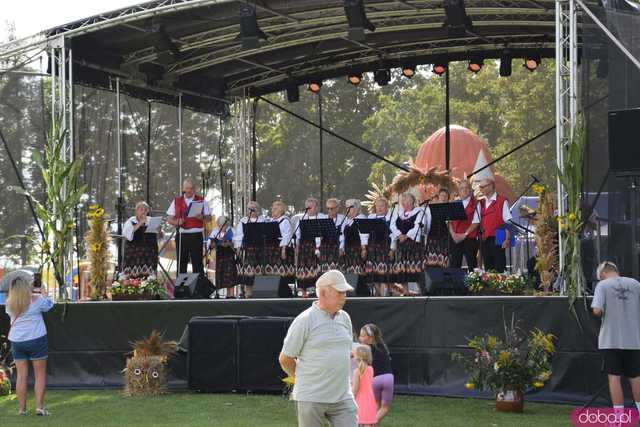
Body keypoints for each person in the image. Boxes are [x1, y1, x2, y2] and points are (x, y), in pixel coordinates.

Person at [279, 270, 357, 427]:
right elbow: (285, 358)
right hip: (312, 397)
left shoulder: (345, 318)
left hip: (342, 397)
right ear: (322, 293)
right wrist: (303, 378)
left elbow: (346, 353)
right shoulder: (304, 320)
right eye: (339, 292)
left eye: (345, 292)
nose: (344, 297)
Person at [591, 261, 640, 416]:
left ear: (602, 274)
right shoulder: (635, 284)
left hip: (610, 340)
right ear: (615, 270)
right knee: (636, 377)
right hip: (634, 339)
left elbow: (597, 310)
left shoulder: (602, 286)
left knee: (614, 378)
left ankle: (619, 417)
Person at [5, 276, 54, 416]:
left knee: (21, 376)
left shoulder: (9, 304)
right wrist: (43, 292)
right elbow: (49, 305)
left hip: (17, 341)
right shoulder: (37, 300)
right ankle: (39, 408)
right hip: (36, 339)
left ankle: (22, 409)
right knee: (39, 375)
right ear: (27, 287)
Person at [166, 178, 212, 275]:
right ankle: (181, 288)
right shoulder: (177, 201)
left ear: (194, 189)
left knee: (197, 263)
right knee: (181, 264)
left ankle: (198, 289)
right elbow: (169, 219)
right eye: (187, 188)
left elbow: (209, 218)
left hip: (196, 235)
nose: (189, 191)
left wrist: (202, 217)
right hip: (182, 235)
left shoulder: (201, 200)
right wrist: (177, 222)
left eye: (191, 188)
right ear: (183, 189)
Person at [390, 192, 430, 295]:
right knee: (402, 269)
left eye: (407, 201)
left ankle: (422, 292)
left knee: (416, 269)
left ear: (412, 201)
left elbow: (418, 226)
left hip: (414, 246)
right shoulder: (398, 213)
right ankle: (406, 292)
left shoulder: (419, 212)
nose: (405, 203)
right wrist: (399, 235)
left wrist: (406, 235)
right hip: (401, 245)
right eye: (403, 201)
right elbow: (392, 225)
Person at [359, 324, 394, 424]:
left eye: (362, 336)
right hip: (389, 378)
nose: (360, 338)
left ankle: (369, 423)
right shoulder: (383, 347)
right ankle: (372, 423)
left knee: (375, 405)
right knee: (385, 408)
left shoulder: (365, 349)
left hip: (375, 380)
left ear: (370, 338)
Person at [233, 201, 266, 298]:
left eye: (253, 208)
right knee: (248, 273)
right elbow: (239, 236)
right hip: (248, 250)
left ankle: (260, 294)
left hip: (260, 250)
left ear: (257, 210)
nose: (251, 211)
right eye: (249, 209)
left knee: (260, 272)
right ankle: (248, 293)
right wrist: (238, 249)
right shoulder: (243, 221)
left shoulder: (263, 220)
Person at [478, 178, 511, 272]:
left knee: (499, 266)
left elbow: (508, 222)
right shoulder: (481, 202)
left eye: (483, 187)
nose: (481, 189)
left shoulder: (502, 201)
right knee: (488, 268)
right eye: (480, 187)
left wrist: (507, 239)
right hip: (484, 239)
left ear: (491, 187)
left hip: (498, 237)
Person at [296, 198, 328, 291]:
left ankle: (316, 289)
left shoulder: (323, 217)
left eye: (310, 207)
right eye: (307, 207)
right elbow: (298, 235)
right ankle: (303, 289)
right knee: (304, 269)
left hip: (320, 247)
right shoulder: (302, 218)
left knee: (318, 269)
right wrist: (297, 247)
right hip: (305, 248)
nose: (308, 209)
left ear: (316, 208)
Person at [449, 180, 480, 270]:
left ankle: (473, 284)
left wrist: (465, 235)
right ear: (459, 191)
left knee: (472, 266)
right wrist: (453, 234)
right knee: (454, 266)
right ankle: (455, 284)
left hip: (469, 239)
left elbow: (476, 222)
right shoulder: (454, 203)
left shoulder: (476, 203)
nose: (464, 190)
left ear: (470, 190)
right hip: (455, 239)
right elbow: (448, 221)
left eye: (467, 188)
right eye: (462, 188)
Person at [122, 201, 159, 275]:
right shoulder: (131, 220)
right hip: (133, 248)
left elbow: (157, 236)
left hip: (149, 249)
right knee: (136, 253)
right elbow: (127, 233)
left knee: (150, 252)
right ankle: (132, 278)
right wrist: (140, 223)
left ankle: (149, 279)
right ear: (136, 211)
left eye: (145, 210)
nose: (143, 212)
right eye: (141, 209)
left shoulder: (151, 220)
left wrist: (158, 230)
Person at [267, 200, 295, 297]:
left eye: (275, 209)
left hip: (280, 250)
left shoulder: (285, 220)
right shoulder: (271, 220)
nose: (272, 211)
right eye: (272, 208)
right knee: (272, 273)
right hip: (272, 250)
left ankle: (286, 293)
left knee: (280, 273)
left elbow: (286, 236)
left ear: (280, 210)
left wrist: (283, 249)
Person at [340, 199, 368, 295]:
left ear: (357, 208)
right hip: (348, 252)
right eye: (347, 207)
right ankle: (353, 292)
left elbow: (364, 235)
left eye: (350, 207)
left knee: (359, 274)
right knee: (350, 273)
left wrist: (364, 249)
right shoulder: (347, 221)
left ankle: (362, 294)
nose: (348, 209)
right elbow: (343, 236)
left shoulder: (361, 218)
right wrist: (342, 248)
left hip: (357, 250)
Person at [367, 198, 394, 296]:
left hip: (385, 248)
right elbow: (366, 234)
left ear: (387, 207)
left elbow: (394, 235)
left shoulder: (391, 217)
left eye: (382, 206)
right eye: (377, 206)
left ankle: (383, 296)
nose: (379, 208)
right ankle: (377, 295)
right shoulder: (371, 217)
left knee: (383, 274)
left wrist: (392, 249)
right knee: (373, 274)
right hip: (372, 248)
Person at [208, 215, 237, 298]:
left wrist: (229, 243)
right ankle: (218, 294)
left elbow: (236, 243)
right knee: (220, 275)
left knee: (230, 275)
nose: (223, 227)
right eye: (221, 226)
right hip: (220, 256)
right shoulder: (215, 231)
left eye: (224, 225)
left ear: (227, 224)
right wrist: (214, 243)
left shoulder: (232, 231)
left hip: (229, 256)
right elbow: (210, 244)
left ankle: (230, 295)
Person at [352, 344, 377, 427]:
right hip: (370, 399)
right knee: (368, 422)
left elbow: (355, 388)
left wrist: (350, 398)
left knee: (361, 420)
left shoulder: (357, 371)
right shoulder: (371, 369)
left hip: (360, 400)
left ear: (357, 357)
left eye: (354, 354)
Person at [426, 188, 451, 268]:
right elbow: (428, 223)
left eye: (445, 196)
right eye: (442, 196)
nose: (443, 198)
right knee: (432, 262)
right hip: (433, 238)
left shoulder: (450, 209)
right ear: (438, 197)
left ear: (448, 198)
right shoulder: (431, 208)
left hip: (444, 238)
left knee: (443, 261)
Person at [322, 198, 344, 273]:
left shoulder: (343, 218)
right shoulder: (323, 218)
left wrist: (341, 248)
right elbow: (318, 236)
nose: (329, 211)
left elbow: (343, 236)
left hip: (337, 248)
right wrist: (317, 249)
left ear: (337, 208)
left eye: (332, 208)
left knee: (337, 272)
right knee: (325, 272)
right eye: (328, 208)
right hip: (325, 249)